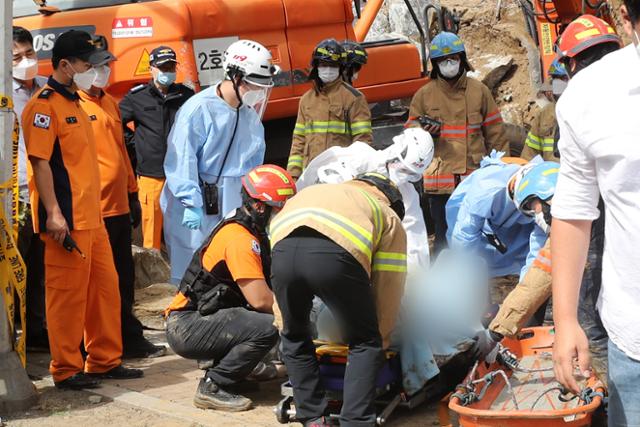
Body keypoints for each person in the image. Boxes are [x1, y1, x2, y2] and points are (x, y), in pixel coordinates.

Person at [22, 30, 142, 389]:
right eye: (86, 65)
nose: (91, 70)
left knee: (105, 292)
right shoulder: (43, 106)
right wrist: (54, 214)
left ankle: (104, 360)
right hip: (68, 219)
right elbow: (40, 165)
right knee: (67, 297)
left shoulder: (76, 102)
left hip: (95, 217)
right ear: (65, 65)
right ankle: (66, 368)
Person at [551, 2, 640, 424]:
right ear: (627, 20)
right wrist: (566, 319)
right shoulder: (589, 98)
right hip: (635, 337)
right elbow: (571, 210)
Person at [270, 173, 407, 427]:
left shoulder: (319, 193)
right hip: (334, 258)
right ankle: (356, 421)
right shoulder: (385, 214)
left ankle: (312, 418)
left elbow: (280, 282)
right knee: (365, 341)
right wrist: (380, 337)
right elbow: (388, 286)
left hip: (282, 253)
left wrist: (283, 321)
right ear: (391, 199)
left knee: (294, 336)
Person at [164, 165, 296, 411]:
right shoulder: (240, 239)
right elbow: (260, 300)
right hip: (187, 325)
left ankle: (236, 373)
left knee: (261, 321)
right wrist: (296, 312)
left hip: (201, 317)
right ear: (259, 206)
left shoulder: (248, 225)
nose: (283, 214)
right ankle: (213, 385)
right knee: (269, 327)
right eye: (280, 208)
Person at [161, 39, 280, 284]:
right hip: (195, 201)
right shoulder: (198, 109)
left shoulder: (249, 117)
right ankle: (186, 315)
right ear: (235, 77)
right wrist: (190, 200)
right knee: (192, 265)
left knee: (229, 263)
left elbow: (254, 164)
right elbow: (181, 160)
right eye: (253, 85)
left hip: (232, 200)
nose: (258, 93)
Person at [79, 49, 166, 359]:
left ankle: (127, 335)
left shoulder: (109, 103)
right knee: (95, 283)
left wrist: (131, 191)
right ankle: (92, 342)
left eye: (107, 66)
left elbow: (120, 151)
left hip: (117, 206)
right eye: (99, 66)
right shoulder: (73, 105)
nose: (104, 72)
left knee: (123, 278)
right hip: (92, 209)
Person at [407, 32, 509, 254]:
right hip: (439, 181)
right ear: (435, 64)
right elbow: (410, 136)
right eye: (443, 60)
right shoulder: (424, 95)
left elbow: (496, 133)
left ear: (462, 58)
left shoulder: (478, 91)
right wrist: (426, 133)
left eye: (453, 58)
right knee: (443, 240)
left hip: (472, 179)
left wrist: (501, 172)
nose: (449, 64)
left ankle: (476, 281)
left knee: (474, 238)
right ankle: (441, 285)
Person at [297, 127, 434, 270]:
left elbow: (415, 241)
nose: (404, 176)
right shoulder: (353, 158)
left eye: (411, 174)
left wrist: (415, 280)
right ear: (394, 152)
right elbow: (305, 186)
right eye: (403, 169)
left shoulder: (406, 193)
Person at [471, 162, 559, 359]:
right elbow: (535, 282)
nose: (536, 218)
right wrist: (498, 330)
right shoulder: (561, 236)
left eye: (535, 211)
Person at [445, 153, 552, 304]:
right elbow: (465, 239)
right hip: (477, 224)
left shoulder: (549, 192)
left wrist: (524, 298)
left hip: (516, 230)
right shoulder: (485, 190)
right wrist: (466, 283)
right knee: (471, 271)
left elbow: (537, 255)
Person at [119, 46, 194, 250]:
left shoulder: (186, 95)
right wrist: (136, 143)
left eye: (170, 66)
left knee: (184, 229)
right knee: (151, 231)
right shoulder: (137, 97)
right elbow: (115, 123)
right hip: (152, 175)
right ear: (151, 68)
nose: (167, 71)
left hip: (181, 173)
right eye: (162, 67)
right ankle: (155, 277)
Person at [286, 38, 372, 179]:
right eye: (323, 65)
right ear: (316, 67)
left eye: (332, 65)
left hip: (340, 175)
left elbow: (362, 142)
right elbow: (298, 141)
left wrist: (353, 173)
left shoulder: (354, 98)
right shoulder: (306, 100)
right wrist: (293, 175)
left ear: (340, 68)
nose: (328, 69)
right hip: (310, 174)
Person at [12, 26, 49, 351]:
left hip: (45, 191)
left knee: (40, 267)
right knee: (14, 268)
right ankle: (10, 338)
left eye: (29, 54)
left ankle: (36, 331)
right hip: (15, 197)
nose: (26, 62)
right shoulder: (3, 94)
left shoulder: (44, 89)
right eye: (17, 57)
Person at [520, 59, 568, 161]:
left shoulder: (592, 112)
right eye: (557, 79)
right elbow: (529, 156)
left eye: (565, 78)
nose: (561, 84)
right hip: (550, 175)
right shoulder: (545, 114)